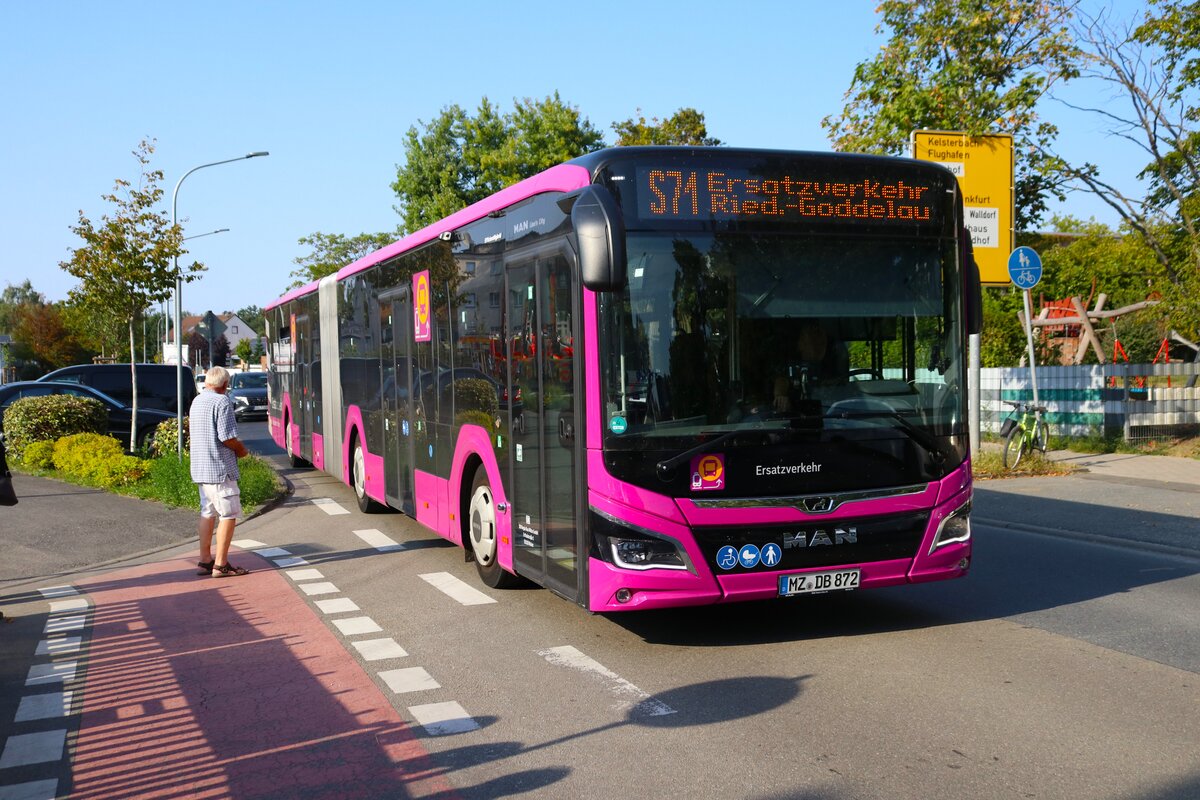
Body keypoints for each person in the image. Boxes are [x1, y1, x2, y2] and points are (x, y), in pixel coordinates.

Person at [190, 366, 250, 577]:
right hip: (219, 469)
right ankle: (221, 565)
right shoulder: (222, 401)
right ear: (225, 385)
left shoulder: (197, 401)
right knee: (228, 514)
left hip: (200, 468)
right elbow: (227, 437)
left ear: (207, 382)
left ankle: (205, 560)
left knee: (207, 512)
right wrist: (243, 452)